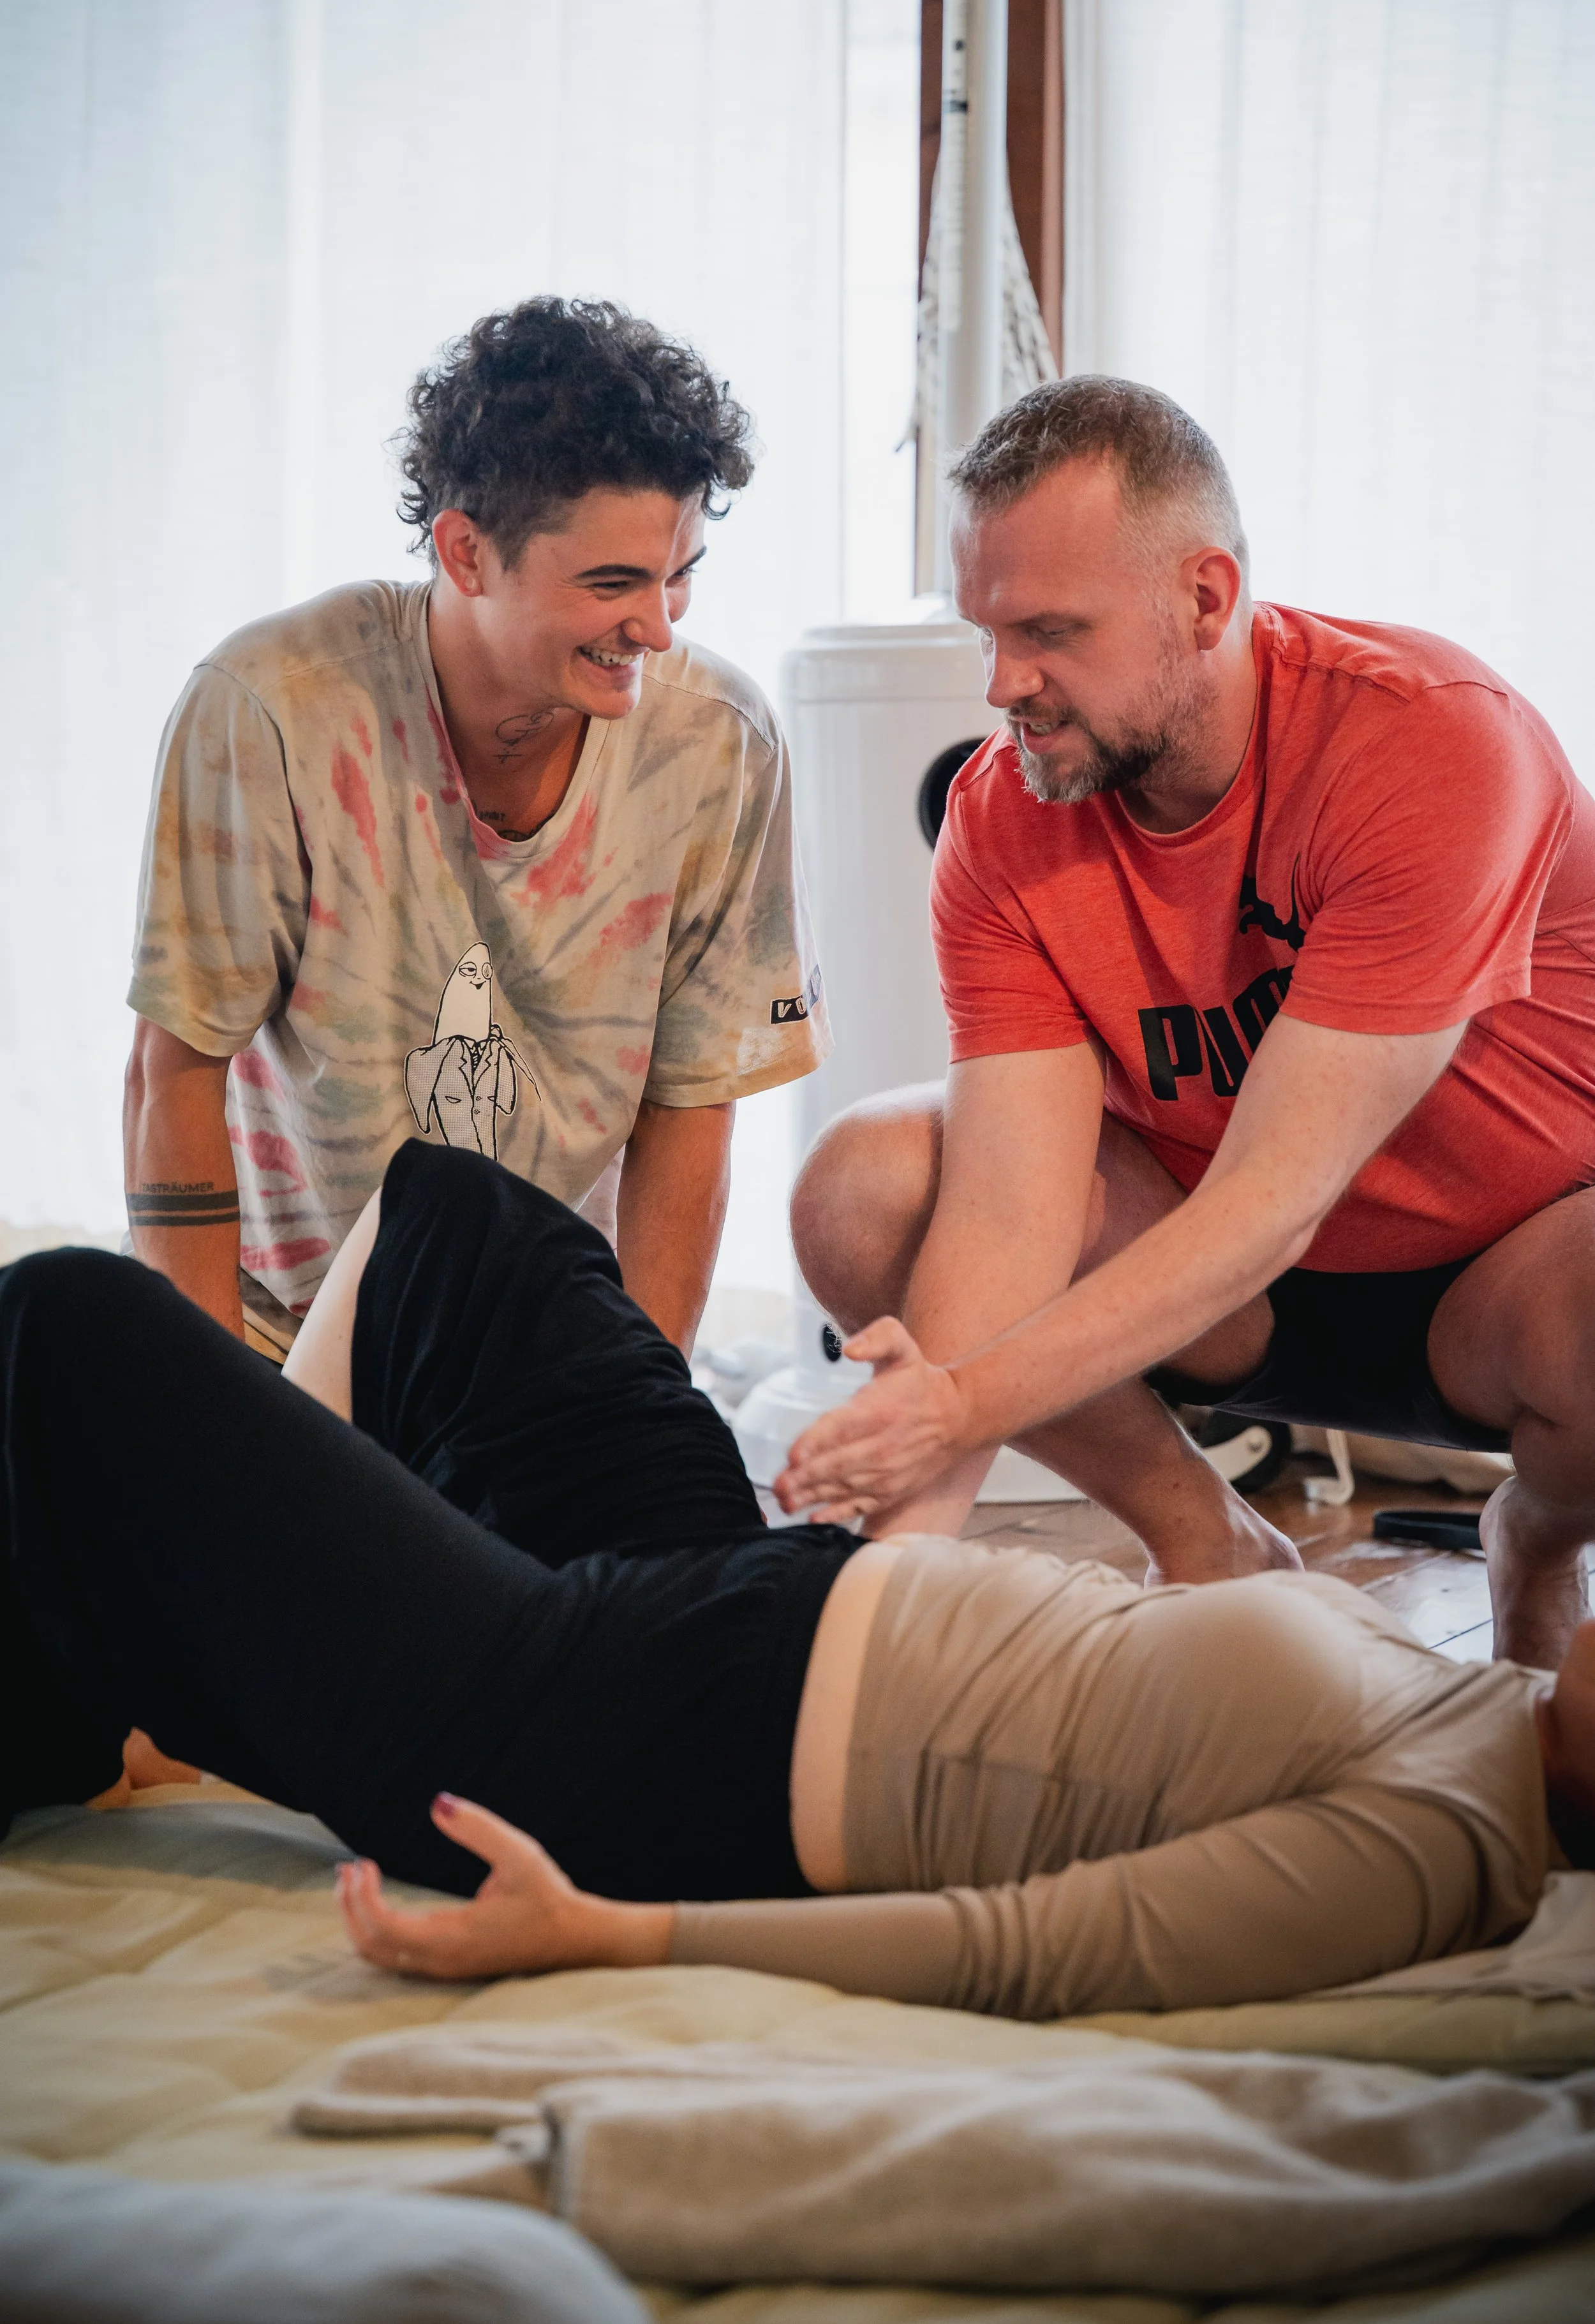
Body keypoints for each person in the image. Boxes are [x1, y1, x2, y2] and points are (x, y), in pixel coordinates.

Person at [2, 1144, 1588, 2020]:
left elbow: (1029, 1947)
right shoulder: (1480, 1702)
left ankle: (130, 1676)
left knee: (73, 1331)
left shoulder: (1442, 1841)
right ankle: (196, 1656)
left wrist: (613, 1940)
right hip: (754, 1592)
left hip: (625, 1735)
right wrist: (904, 1516)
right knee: (462, 1225)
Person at [779, 376, 1595, 1669]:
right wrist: (881, 1592)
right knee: (863, 1187)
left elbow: (1276, 1190)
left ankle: (1536, 1546)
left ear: (1203, 599)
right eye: (985, 632)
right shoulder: (1005, 816)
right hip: (1229, 1291)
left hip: (1501, 1266)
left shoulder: (1427, 741)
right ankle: (1203, 1537)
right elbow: (1005, 1214)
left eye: (1049, 631)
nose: (1004, 686)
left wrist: (943, 1410)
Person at [124, 297, 829, 1364]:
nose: (660, 624)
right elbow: (172, 1069)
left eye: (679, 573)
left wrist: (644, 1399)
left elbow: (694, 1105)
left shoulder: (720, 743)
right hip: (285, 1338)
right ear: (464, 551)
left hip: (550, 1343)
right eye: (612, 583)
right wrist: (212, 1408)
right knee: (53, 1323)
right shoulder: (273, 706)